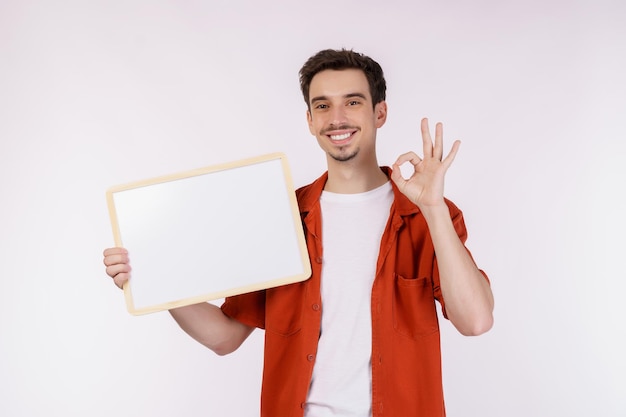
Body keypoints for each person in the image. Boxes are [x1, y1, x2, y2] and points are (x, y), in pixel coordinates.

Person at [103, 48, 494, 417]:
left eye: (352, 101)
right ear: (310, 120)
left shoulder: (426, 216)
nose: (336, 117)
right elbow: (225, 336)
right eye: (322, 105)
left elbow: (475, 320)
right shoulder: (280, 217)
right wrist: (154, 276)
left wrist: (434, 210)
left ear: (380, 112)